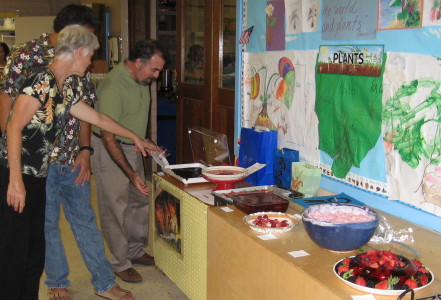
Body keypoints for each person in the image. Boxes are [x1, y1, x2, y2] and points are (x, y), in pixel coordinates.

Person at [0, 25, 159, 300]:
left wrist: (136, 137)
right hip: (14, 174)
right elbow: (13, 127)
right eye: (90, 55)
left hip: (37, 176)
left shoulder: (66, 86)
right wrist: (15, 181)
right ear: (78, 52)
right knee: (15, 251)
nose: (91, 61)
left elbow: (98, 119)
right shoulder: (41, 82)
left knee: (34, 252)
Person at [91, 39, 165, 283]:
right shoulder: (113, 86)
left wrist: (144, 140)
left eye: (159, 71)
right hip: (108, 147)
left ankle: (134, 250)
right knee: (115, 206)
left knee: (139, 199)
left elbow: (130, 119)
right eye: (154, 70)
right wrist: (130, 172)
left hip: (131, 146)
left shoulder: (141, 78)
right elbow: (108, 134)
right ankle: (119, 261)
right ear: (138, 62)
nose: (156, 76)